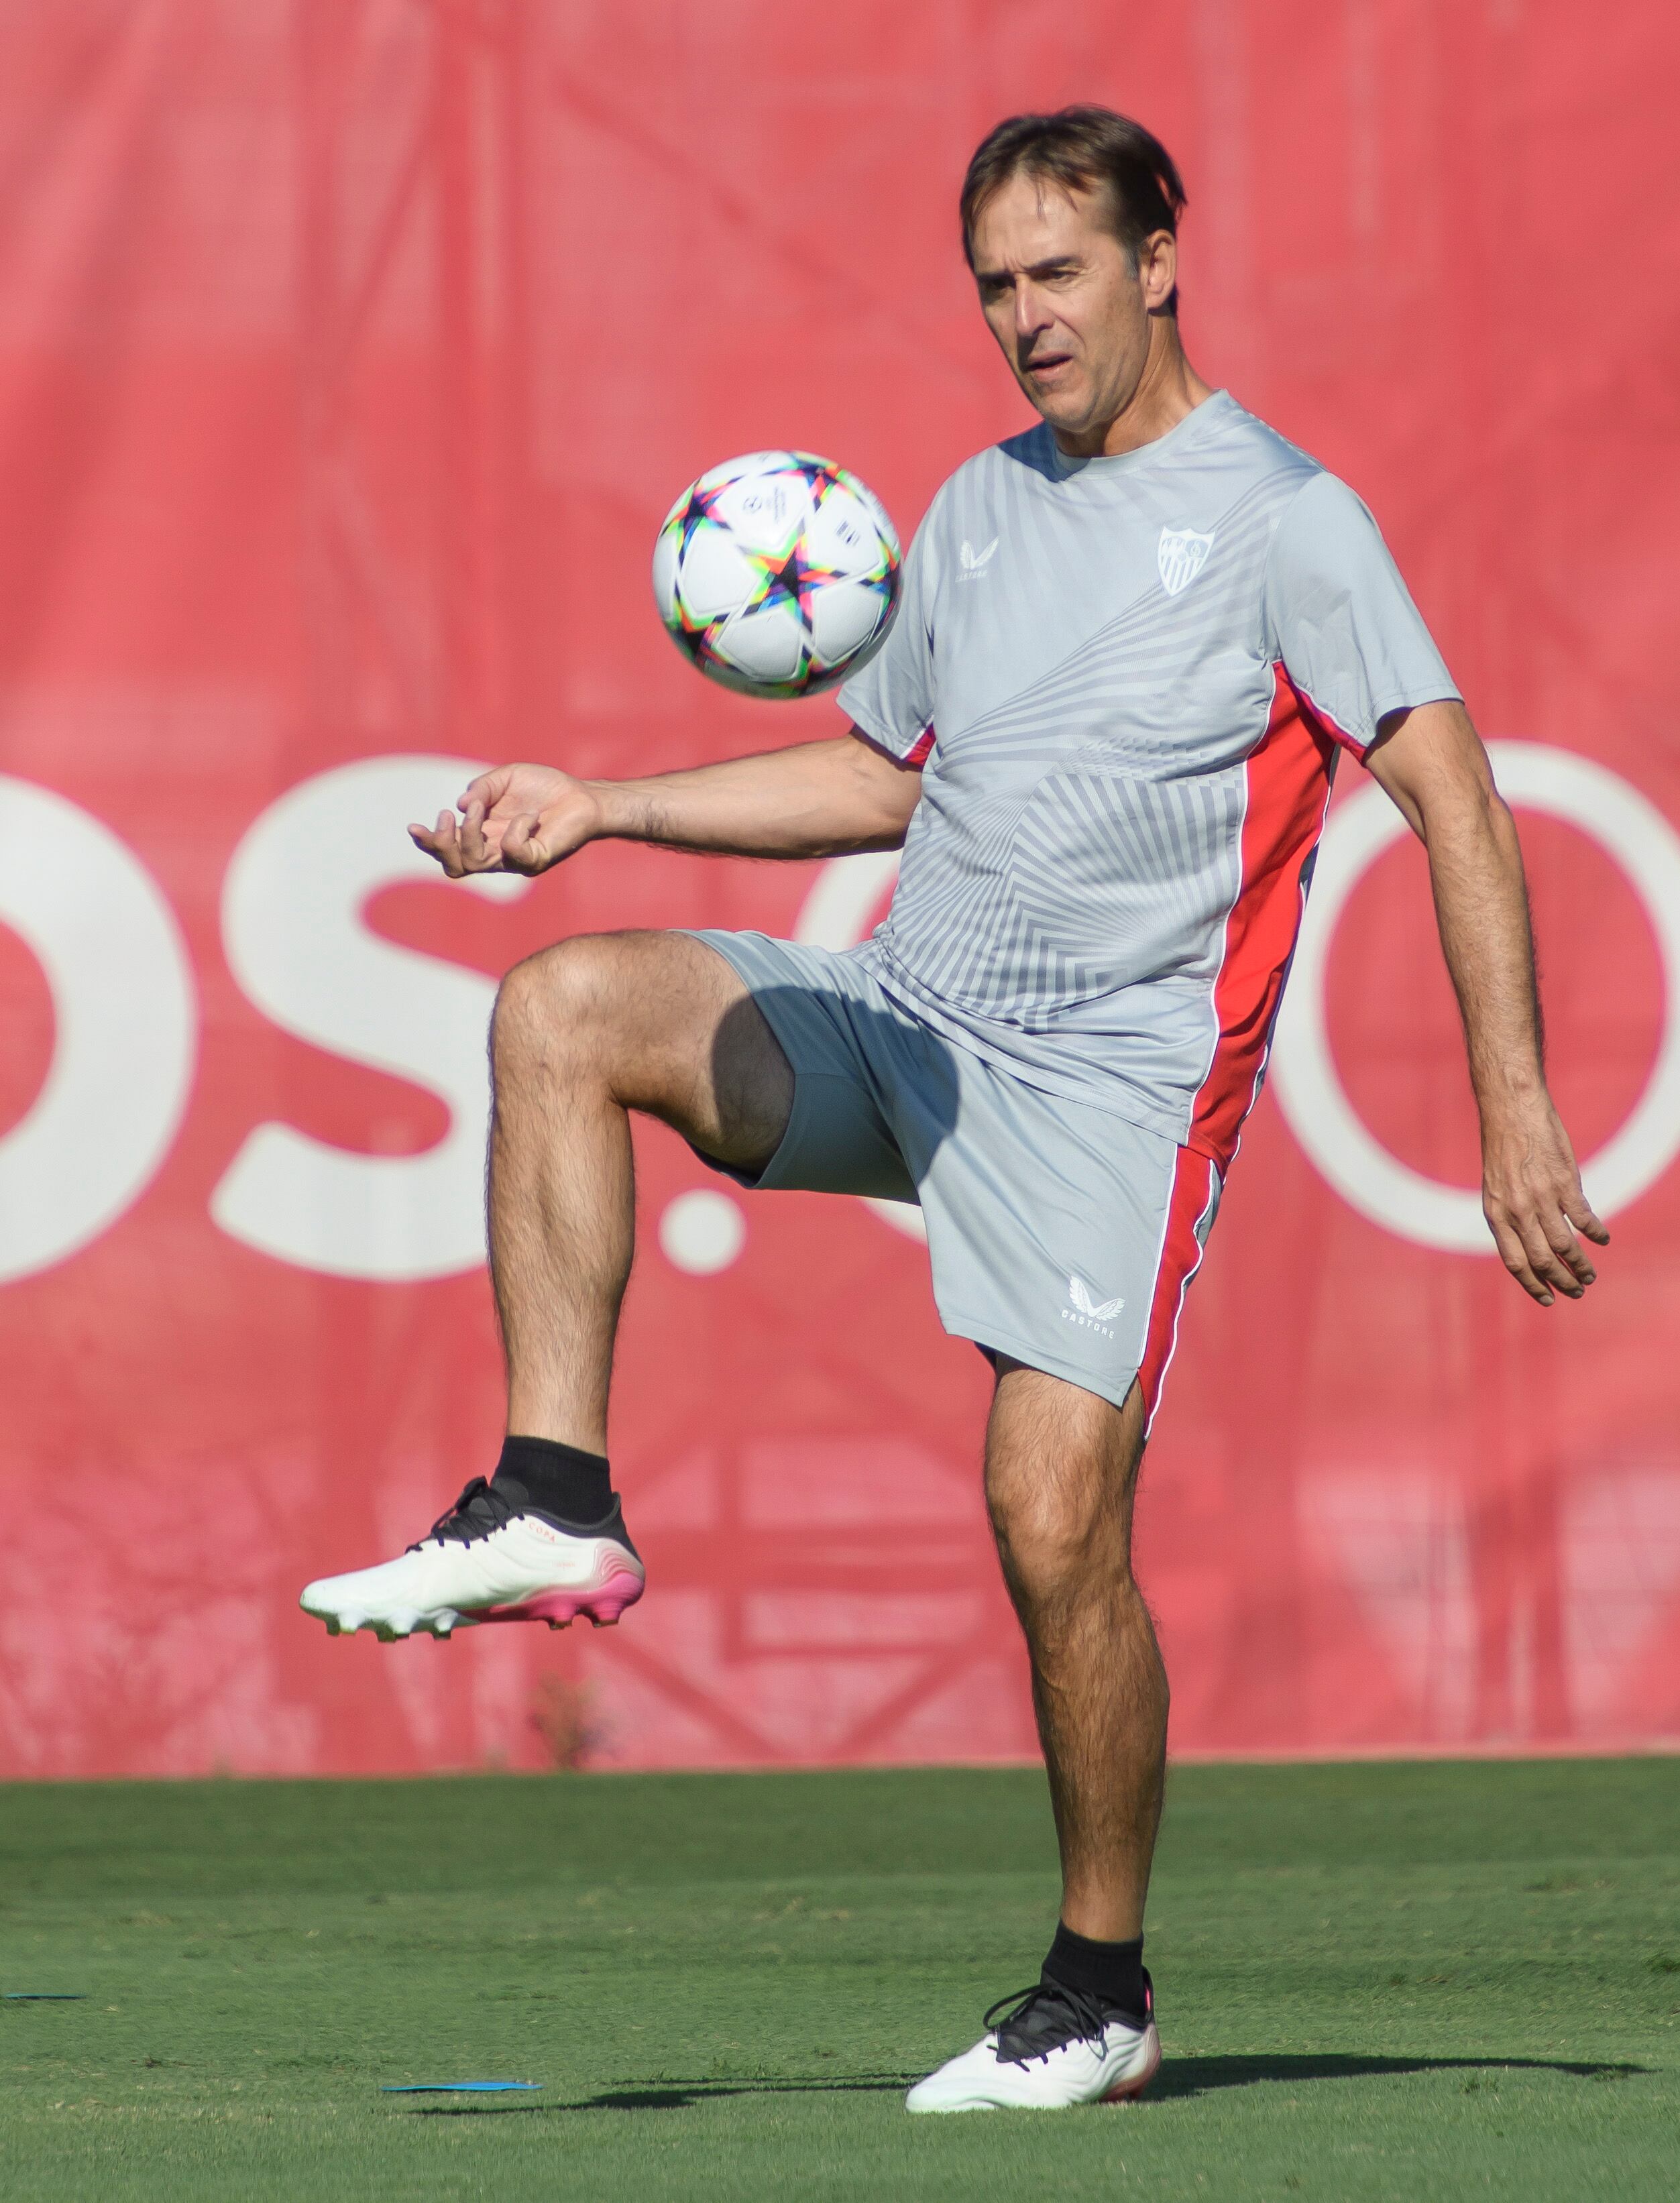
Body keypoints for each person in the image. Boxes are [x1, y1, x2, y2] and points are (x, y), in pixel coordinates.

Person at [300, 107, 1607, 2112]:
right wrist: (606, 804)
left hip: (1114, 1092)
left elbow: (1454, 793)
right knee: (562, 1007)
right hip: (908, 1017)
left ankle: (1099, 1989)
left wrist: (1513, 1108)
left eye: (1058, 271)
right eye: (994, 283)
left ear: (1159, 259)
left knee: (1049, 1523)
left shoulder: (1284, 519)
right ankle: (552, 1493)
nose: (1024, 317)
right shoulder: (975, 510)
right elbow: (883, 778)